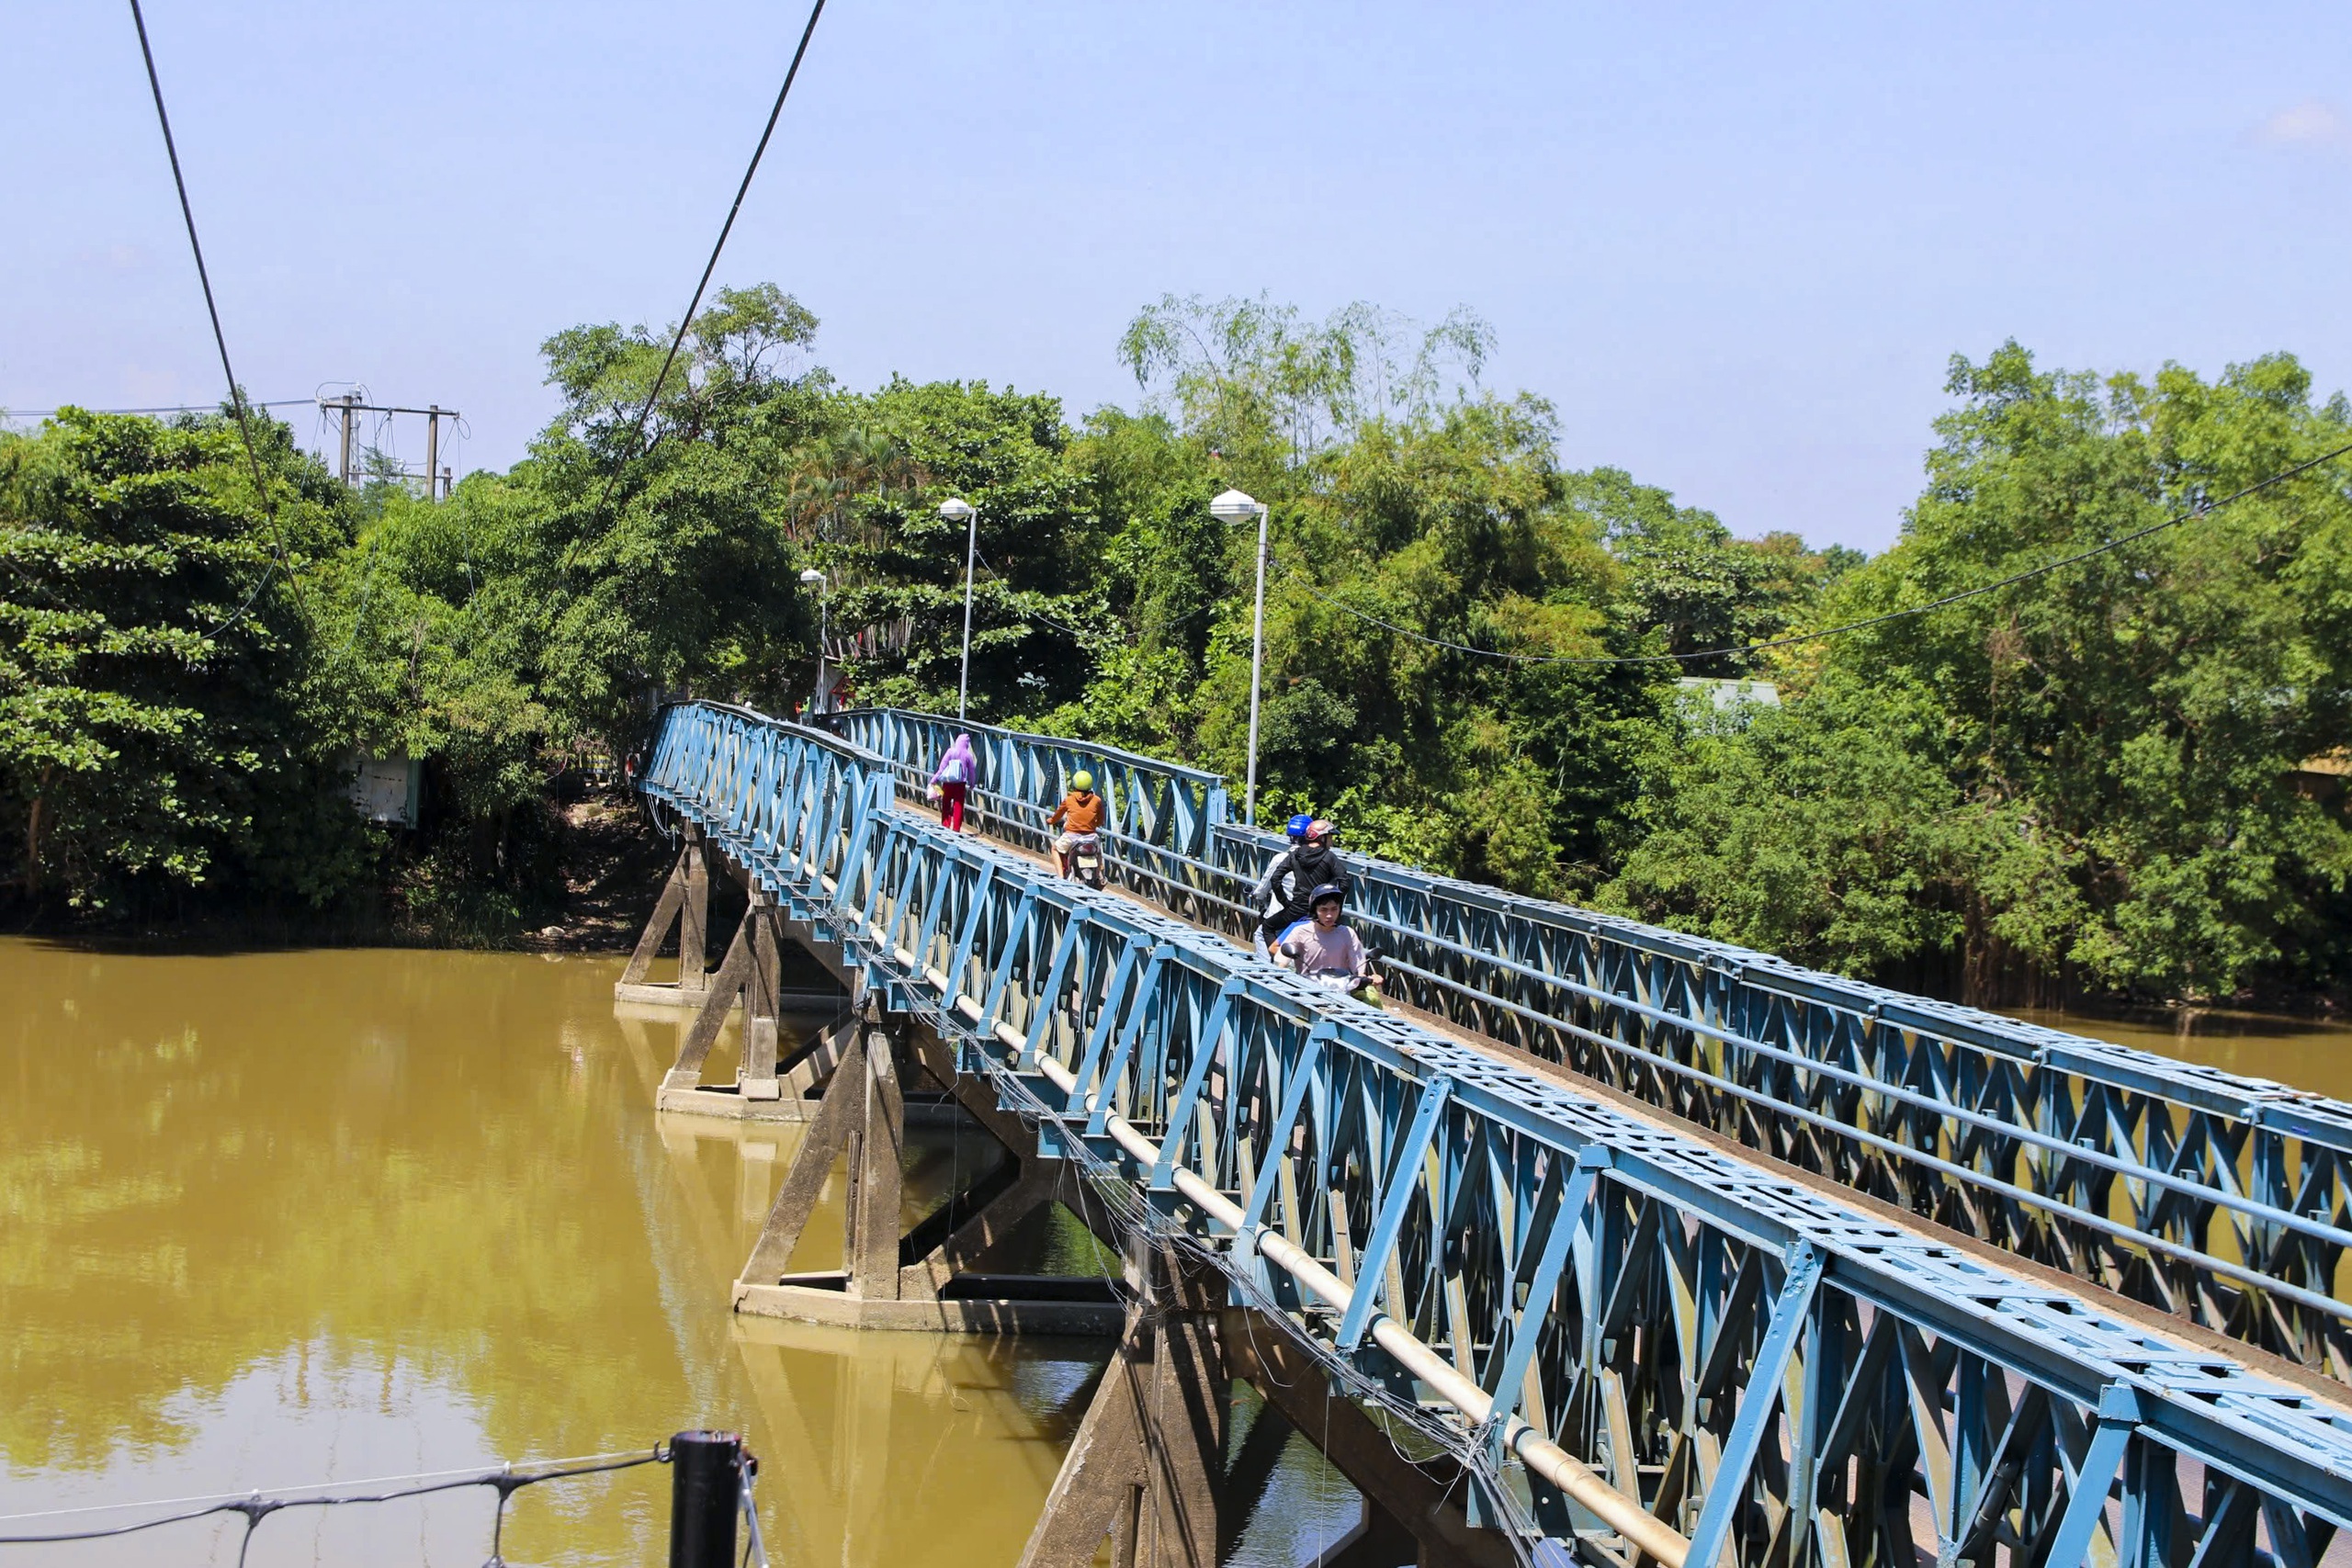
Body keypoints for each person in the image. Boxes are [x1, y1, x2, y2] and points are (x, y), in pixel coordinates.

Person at [1253, 818, 1349, 956]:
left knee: (1267, 928)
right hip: (1319, 911)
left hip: (1296, 910)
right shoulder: (1329, 857)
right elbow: (1345, 880)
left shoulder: (1295, 855)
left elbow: (1275, 879)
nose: (1332, 841)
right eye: (1330, 837)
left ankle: (1276, 961)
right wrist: (1335, 904)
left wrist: (1285, 903)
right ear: (1321, 838)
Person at [1273, 883, 1381, 1005]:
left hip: (1341, 989)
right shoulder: (1300, 932)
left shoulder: (1347, 933)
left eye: (1334, 909)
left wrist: (1368, 978)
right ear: (1315, 911)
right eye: (1323, 910)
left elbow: (1358, 967)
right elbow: (1280, 962)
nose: (1329, 915)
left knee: (1373, 999)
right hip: (1308, 989)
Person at [1047, 770, 1106, 877]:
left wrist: (1051, 821)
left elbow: (1058, 815)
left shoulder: (1069, 800)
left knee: (1054, 848)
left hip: (1071, 837)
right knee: (1098, 853)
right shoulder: (1096, 800)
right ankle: (1098, 876)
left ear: (1074, 784)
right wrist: (1095, 824)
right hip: (1091, 837)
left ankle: (1060, 877)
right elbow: (1101, 820)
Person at [931, 733, 978, 832]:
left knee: (946, 803)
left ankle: (945, 825)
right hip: (960, 784)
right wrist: (972, 783)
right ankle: (956, 829)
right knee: (958, 805)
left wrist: (934, 779)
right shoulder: (967, 755)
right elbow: (972, 771)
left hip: (948, 782)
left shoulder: (950, 752)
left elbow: (942, 768)